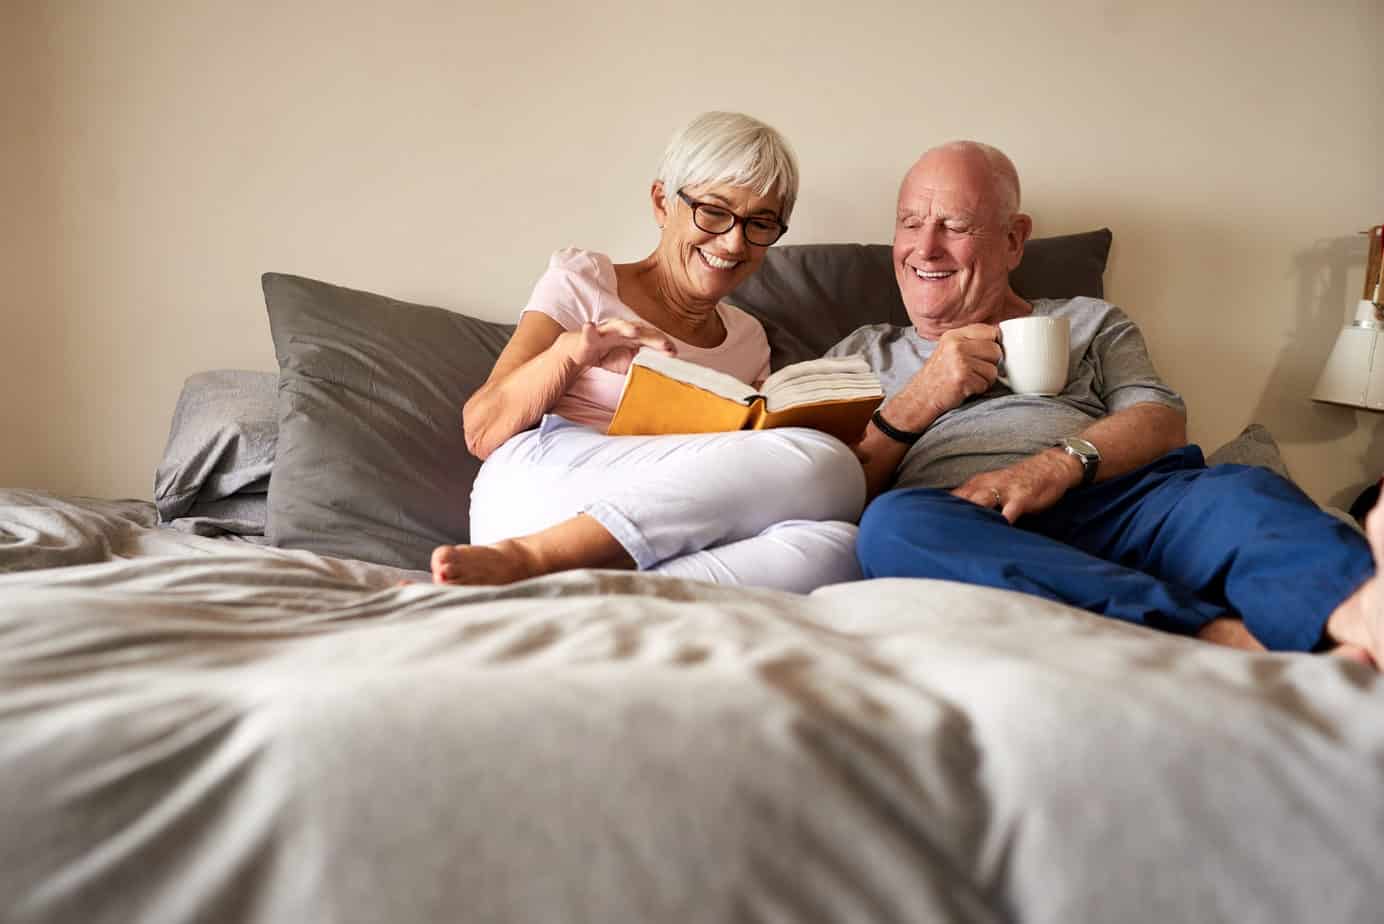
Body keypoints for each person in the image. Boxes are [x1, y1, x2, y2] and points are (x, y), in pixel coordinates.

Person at [831, 139, 1384, 667]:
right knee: (892, 529)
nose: (925, 248)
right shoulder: (859, 353)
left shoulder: (1090, 320)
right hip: (967, 522)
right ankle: (1212, 634)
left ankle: (1361, 615)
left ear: (1014, 240)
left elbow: (1160, 421)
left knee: (1241, 492)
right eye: (910, 223)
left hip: (1118, 503)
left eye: (955, 225)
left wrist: (1055, 466)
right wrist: (918, 400)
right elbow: (827, 491)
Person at [431, 112, 865, 592]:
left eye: (760, 223)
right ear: (663, 203)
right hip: (539, 490)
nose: (734, 241)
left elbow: (726, 480)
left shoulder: (748, 337)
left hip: (657, 533)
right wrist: (573, 352)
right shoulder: (584, 281)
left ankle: (572, 594)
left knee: (839, 547)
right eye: (715, 211)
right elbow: (482, 429)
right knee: (829, 465)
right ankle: (530, 558)